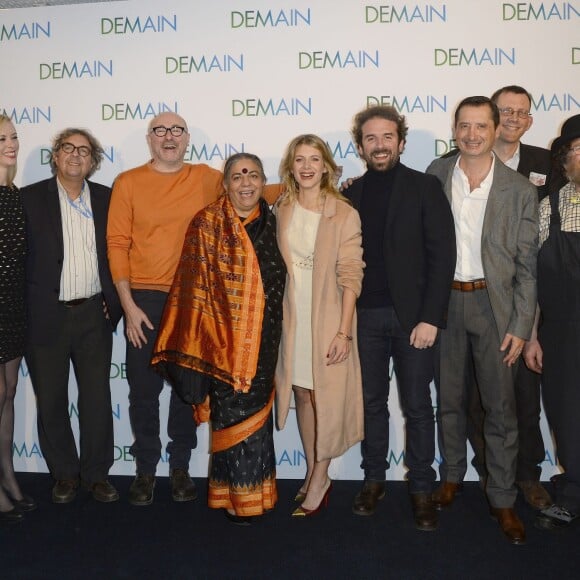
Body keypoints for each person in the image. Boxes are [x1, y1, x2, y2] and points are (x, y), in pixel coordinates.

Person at [107, 113, 280, 506]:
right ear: (149, 139)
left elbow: (256, 191)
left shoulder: (205, 177)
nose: (169, 137)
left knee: (188, 390)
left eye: (177, 131)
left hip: (197, 300)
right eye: (160, 131)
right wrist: (128, 306)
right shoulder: (128, 182)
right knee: (143, 389)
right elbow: (117, 243)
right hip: (145, 299)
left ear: (187, 139)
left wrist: (327, 184)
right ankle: (146, 469)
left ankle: (180, 466)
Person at [427, 96, 538, 545]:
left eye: (481, 126)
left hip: (497, 310)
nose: (472, 134)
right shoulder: (435, 174)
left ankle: (503, 497)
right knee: (449, 400)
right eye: (464, 126)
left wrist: (520, 324)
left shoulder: (520, 190)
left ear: (496, 131)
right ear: (454, 129)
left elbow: (528, 268)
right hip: (445, 306)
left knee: (501, 409)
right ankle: (452, 475)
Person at [151, 153, 286, 524]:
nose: (246, 183)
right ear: (225, 184)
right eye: (238, 176)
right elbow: (194, 287)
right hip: (221, 341)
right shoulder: (208, 223)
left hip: (267, 337)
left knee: (258, 418)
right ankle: (234, 498)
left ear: (263, 182)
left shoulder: (275, 219)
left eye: (253, 175)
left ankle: (257, 494)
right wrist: (209, 337)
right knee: (229, 417)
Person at [342, 106, 456, 531]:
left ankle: (422, 488)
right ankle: (373, 480)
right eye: (371, 138)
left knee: (418, 408)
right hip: (364, 318)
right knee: (371, 405)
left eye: (387, 137)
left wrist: (431, 318)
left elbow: (442, 256)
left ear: (401, 142)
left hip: (414, 321)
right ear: (360, 146)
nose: (380, 145)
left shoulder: (425, 187)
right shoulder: (349, 195)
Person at [466, 86, 558, 509]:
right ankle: (490, 472)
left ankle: (528, 475)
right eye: (506, 111)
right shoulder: (458, 165)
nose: (514, 118)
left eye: (523, 112)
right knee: (475, 396)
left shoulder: (546, 164)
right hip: (475, 298)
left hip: (529, 294)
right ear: (492, 117)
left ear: (530, 120)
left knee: (524, 394)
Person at [21, 128, 122, 504]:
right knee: (51, 399)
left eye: (84, 150)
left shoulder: (108, 199)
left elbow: (120, 251)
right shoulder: (29, 199)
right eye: (68, 148)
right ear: (56, 155)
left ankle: (97, 474)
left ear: (93, 161)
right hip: (46, 315)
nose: (76, 156)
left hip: (94, 313)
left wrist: (115, 299)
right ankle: (64, 473)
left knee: (97, 397)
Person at [275, 134, 365, 517]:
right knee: (302, 394)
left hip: (328, 315)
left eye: (315, 159)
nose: (307, 166)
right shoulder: (281, 206)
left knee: (324, 397)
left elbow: (351, 275)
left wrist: (343, 331)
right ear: (291, 167)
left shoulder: (343, 212)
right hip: (291, 317)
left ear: (327, 165)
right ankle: (314, 470)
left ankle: (322, 476)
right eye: (300, 160)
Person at [524, 114, 580, 532]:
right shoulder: (549, 209)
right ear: (563, 161)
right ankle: (573, 494)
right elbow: (531, 278)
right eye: (577, 150)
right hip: (559, 332)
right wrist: (531, 336)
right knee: (566, 414)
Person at [0, 115, 34, 523]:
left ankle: (7, 471)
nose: (10, 144)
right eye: (1, 139)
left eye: (13, 136)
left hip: (14, 307)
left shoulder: (14, 195)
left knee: (8, 392)